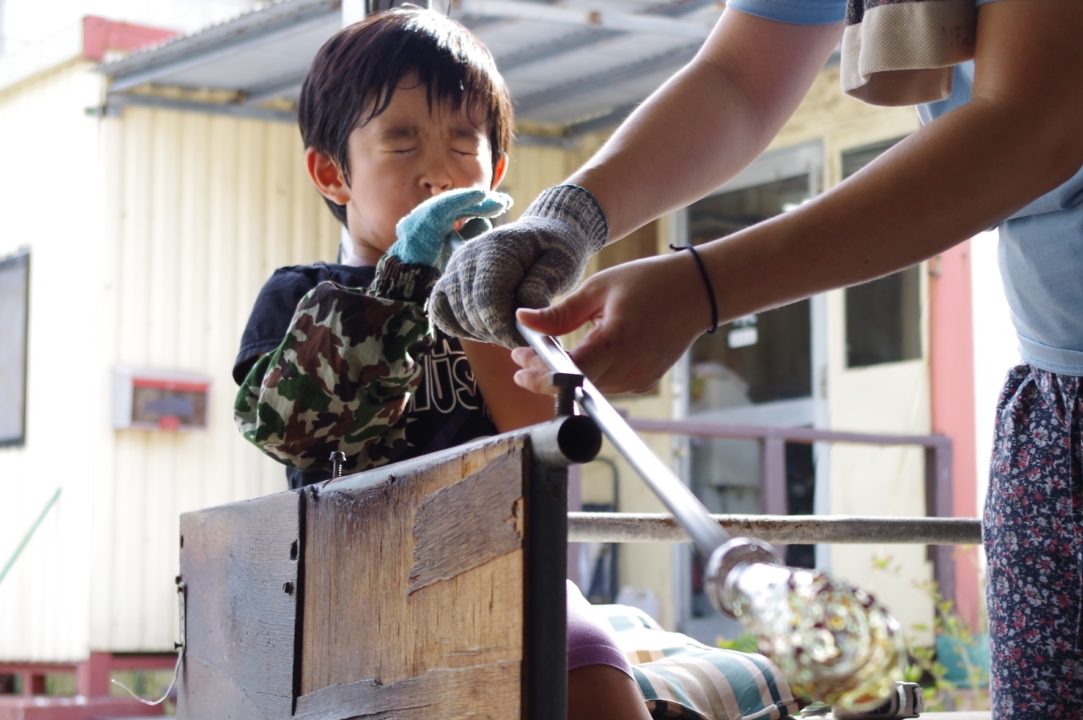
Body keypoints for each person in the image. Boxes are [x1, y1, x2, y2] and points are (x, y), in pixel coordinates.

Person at [429, 0, 1083, 716]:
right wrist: (569, 215)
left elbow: (1035, 121)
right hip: (1053, 402)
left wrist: (701, 288)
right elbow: (739, 76)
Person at [229, 9, 650, 720]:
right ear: (333, 173)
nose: (437, 171)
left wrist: (481, 295)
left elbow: (535, 442)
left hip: (504, 570)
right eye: (401, 144)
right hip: (358, 589)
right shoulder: (302, 296)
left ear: (496, 170)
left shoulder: (510, 302)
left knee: (591, 673)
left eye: (463, 143)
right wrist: (403, 275)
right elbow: (292, 430)